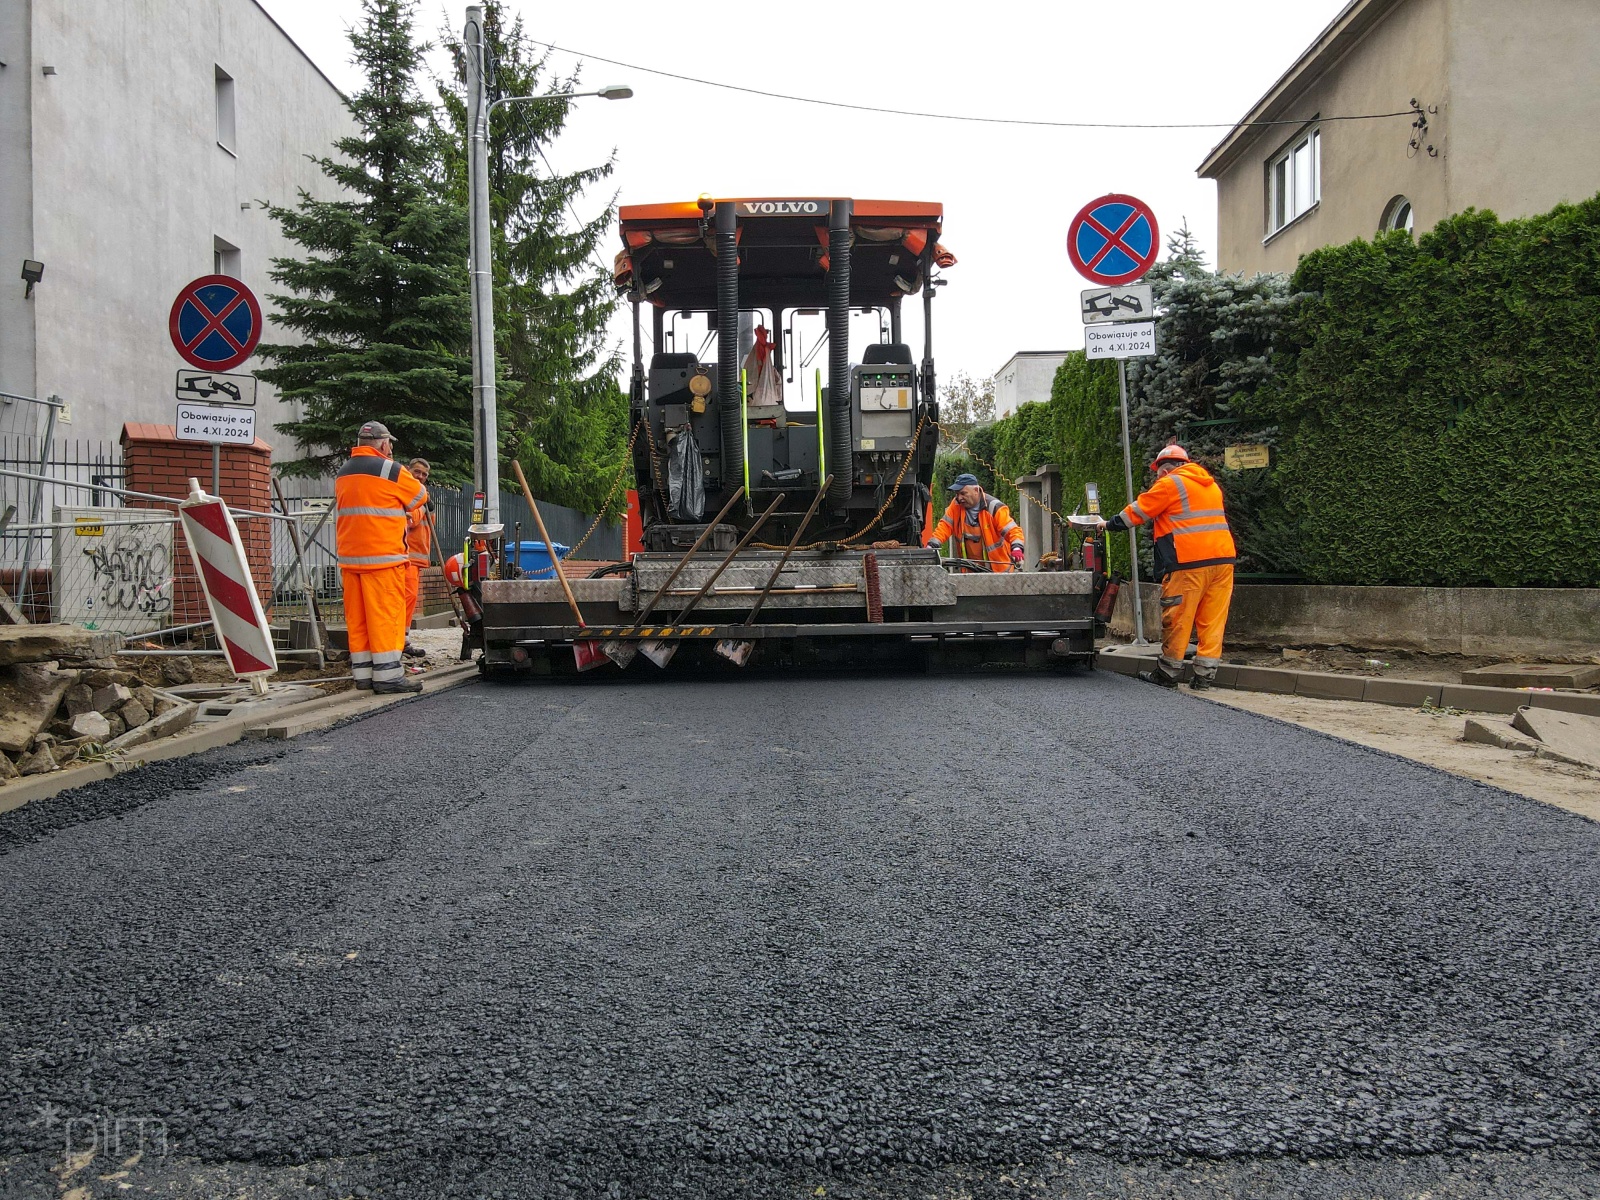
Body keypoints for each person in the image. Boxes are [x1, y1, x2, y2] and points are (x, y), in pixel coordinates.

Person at [1096, 444, 1236, 690]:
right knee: (1212, 620)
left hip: (1188, 562)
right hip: (1223, 560)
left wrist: (1108, 525)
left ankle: (1168, 673)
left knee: (1178, 618)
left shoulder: (1171, 483)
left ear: (1163, 471)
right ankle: (1205, 676)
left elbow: (1138, 512)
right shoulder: (1210, 485)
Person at [334, 421, 426, 694]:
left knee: (359, 621)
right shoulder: (390, 469)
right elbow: (420, 497)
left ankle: (363, 675)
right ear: (384, 444)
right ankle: (387, 677)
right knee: (385, 618)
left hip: (350, 561)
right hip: (384, 560)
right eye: (390, 445)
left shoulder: (343, 472)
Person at [925, 473, 1025, 571]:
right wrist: (932, 545)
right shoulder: (956, 505)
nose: (959, 498)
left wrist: (1017, 548)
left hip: (998, 573)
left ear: (976, 490)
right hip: (971, 573)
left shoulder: (994, 507)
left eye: (963, 493)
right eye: (957, 494)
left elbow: (1012, 530)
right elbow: (945, 526)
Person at [402, 457, 433, 656]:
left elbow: (429, 526)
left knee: (410, 599)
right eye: (417, 472)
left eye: (424, 474)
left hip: (417, 557)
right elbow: (411, 520)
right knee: (407, 597)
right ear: (409, 471)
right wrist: (423, 506)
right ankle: (400, 640)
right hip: (407, 556)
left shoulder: (421, 494)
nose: (421, 477)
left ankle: (402, 638)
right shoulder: (410, 493)